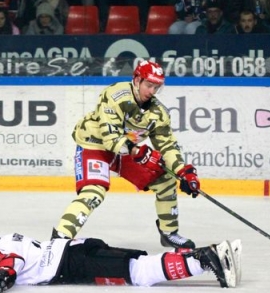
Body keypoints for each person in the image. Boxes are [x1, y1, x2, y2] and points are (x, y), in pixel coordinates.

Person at [51, 60, 201, 249]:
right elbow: (111, 139)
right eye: (149, 85)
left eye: (157, 87)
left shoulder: (159, 113)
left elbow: (168, 146)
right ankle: (59, 240)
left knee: (166, 182)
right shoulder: (115, 94)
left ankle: (169, 232)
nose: (152, 91)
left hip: (125, 151)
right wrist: (140, 152)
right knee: (93, 193)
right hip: (94, 144)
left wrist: (183, 171)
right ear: (136, 80)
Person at [0, 221, 241, 293]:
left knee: (138, 273)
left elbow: (7, 266)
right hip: (76, 251)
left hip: (71, 262)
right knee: (136, 264)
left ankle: (204, 259)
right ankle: (196, 257)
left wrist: (3, 279)